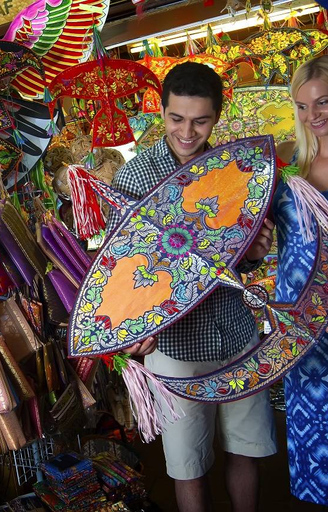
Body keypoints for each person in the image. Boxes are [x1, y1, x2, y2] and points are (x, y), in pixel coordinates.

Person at [108, 62, 277, 512]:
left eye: (200, 120)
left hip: (237, 330)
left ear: (216, 117)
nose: (187, 131)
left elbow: (241, 250)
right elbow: (121, 269)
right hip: (175, 343)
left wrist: (256, 251)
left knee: (246, 448)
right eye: (176, 118)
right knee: (188, 464)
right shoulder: (135, 179)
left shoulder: (234, 172)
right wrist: (133, 329)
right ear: (161, 112)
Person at [273, 55, 328, 507]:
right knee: (313, 447)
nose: (315, 116)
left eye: (325, 102)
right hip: (303, 331)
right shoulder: (292, 170)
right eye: (304, 107)